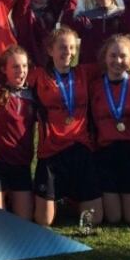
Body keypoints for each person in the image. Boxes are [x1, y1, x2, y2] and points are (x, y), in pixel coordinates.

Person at [30, 27, 102, 226]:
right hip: (51, 153)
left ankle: (71, 198)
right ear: (50, 50)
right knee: (43, 220)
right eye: (62, 47)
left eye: (71, 48)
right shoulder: (37, 75)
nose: (68, 52)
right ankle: (61, 197)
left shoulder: (83, 73)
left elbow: (114, 58)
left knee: (94, 220)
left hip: (81, 149)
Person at [89, 23, 130, 224]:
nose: (117, 61)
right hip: (105, 153)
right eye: (113, 56)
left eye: (123, 56)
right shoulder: (95, 86)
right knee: (114, 218)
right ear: (105, 58)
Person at [0, 46, 36, 218]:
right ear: (3, 69)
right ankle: (2, 196)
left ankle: (10, 198)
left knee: (24, 219)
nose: (21, 71)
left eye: (24, 66)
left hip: (21, 165)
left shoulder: (33, 94)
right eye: (15, 67)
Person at [63, 0, 130, 67]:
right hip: (90, 70)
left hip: (117, 68)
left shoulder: (122, 14)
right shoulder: (84, 17)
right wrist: (73, 0)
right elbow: (66, 29)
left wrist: (128, 1)